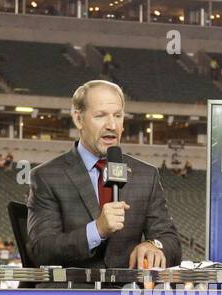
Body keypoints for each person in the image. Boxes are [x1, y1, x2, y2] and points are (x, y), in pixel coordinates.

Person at [27, 79, 181, 269]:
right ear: (78, 119)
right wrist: (97, 230)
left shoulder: (146, 175)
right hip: (74, 294)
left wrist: (154, 246)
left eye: (118, 116)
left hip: (127, 294)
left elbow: (171, 242)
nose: (112, 125)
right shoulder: (47, 176)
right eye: (100, 116)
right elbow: (41, 250)